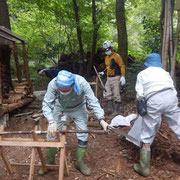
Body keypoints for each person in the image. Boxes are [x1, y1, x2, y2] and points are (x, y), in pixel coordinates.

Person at [39, 70, 109, 176]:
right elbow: (47, 103)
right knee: (51, 133)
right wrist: (51, 120)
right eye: (61, 90)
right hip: (60, 107)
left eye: (66, 90)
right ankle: (50, 161)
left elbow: (92, 101)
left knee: (83, 133)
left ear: (72, 85)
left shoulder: (82, 83)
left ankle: (79, 163)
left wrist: (101, 119)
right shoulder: (53, 83)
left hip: (79, 107)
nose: (63, 92)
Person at [134, 53, 180, 177]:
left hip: (154, 100)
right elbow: (173, 88)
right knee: (179, 126)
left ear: (147, 63)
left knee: (147, 134)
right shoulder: (165, 73)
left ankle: (144, 168)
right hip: (171, 97)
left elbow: (139, 94)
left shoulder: (142, 74)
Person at [99, 40, 126, 116]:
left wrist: (123, 76)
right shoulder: (106, 58)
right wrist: (103, 72)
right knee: (107, 93)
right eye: (105, 50)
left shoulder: (117, 56)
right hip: (108, 77)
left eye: (108, 49)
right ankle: (111, 109)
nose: (107, 51)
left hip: (116, 77)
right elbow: (108, 67)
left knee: (116, 94)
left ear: (111, 48)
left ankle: (116, 111)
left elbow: (122, 66)